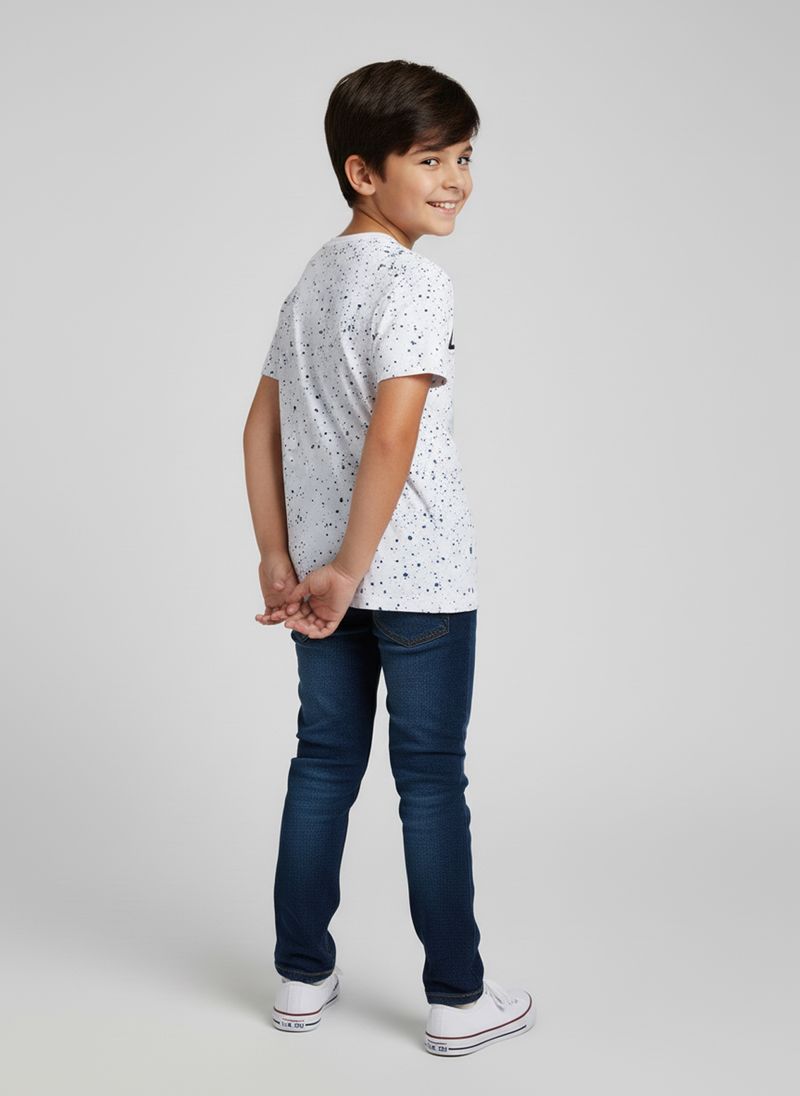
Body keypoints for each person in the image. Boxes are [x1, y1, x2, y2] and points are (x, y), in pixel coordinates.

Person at [242, 59, 535, 1056]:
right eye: (430, 160)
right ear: (362, 172)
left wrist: (280, 557)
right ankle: (457, 996)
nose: (455, 180)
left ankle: (298, 976)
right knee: (430, 782)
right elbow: (392, 435)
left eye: (464, 157)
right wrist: (346, 568)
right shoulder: (414, 281)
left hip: (322, 581)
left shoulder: (312, 279)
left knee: (322, 765)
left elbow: (257, 427)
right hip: (416, 580)